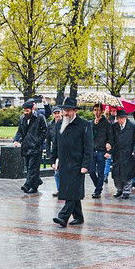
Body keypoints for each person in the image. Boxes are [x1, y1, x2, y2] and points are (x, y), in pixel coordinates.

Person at [50, 97, 93, 227]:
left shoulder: (84, 125)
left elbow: (89, 147)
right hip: (64, 163)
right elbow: (55, 144)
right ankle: (78, 216)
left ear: (75, 111)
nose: (65, 113)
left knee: (72, 191)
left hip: (77, 164)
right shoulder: (59, 125)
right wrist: (53, 160)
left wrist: (85, 165)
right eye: (64, 111)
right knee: (70, 191)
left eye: (68, 110)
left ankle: (63, 217)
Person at [13, 100, 47, 194]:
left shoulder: (40, 117)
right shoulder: (22, 118)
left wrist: (38, 142)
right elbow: (19, 131)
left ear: (32, 109)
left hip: (36, 148)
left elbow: (45, 131)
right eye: (24, 111)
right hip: (26, 147)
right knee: (29, 167)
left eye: (27, 111)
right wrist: (16, 140)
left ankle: (27, 185)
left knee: (32, 167)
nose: (25, 113)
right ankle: (36, 184)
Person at [110, 109, 135, 199]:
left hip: (128, 153)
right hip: (117, 153)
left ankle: (126, 191)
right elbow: (111, 138)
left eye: (121, 118)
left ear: (125, 118)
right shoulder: (114, 126)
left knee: (128, 173)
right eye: (118, 118)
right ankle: (119, 189)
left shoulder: (133, 126)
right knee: (116, 173)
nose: (119, 120)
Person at [89, 104, 112, 198]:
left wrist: (108, 151)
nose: (97, 112)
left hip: (102, 151)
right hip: (92, 150)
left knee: (101, 172)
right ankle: (98, 186)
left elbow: (110, 138)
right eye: (95, 110)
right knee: (91, 171)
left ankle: (97, 191)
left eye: (98, 110)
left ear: (102, 111)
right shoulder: (91, 123)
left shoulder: (106, 123)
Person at [45, 107, 63, 197]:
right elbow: (47, 141)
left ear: (61, 113)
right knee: (56, 172)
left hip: (64, 151)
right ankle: (60, 189)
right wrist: (48, 153)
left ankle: (64, 189)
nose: (57, 115)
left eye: (58, 113)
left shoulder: (65, 123)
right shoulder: (50, 125)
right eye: (55, 113)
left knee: (61, 172)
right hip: (55, 152)